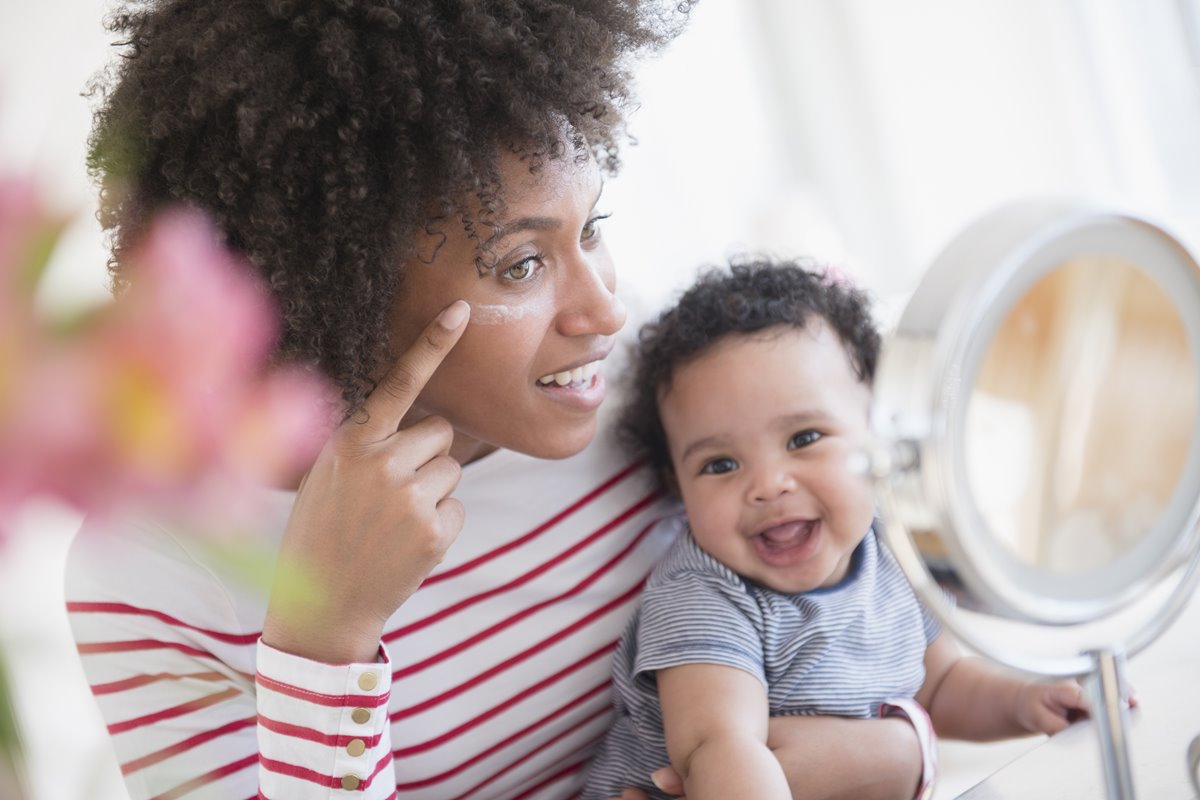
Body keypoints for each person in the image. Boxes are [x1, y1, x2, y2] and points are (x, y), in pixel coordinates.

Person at [66, 3, 929, 799]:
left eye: (592, 229)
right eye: (520, 265)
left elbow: (851, 620)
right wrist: (324, 641)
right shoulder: (152, 571)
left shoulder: (669, 402)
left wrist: (901, 753)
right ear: (336, 294)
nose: (604, 312)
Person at [584, 260, 1090, 800]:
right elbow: (719, 745)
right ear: (677, 487)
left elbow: (940, 685)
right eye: (720, 465)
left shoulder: (891, 549)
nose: (768, 484)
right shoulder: (703, 596)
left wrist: (1023, 703)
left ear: (876, 430)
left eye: (804, 438)